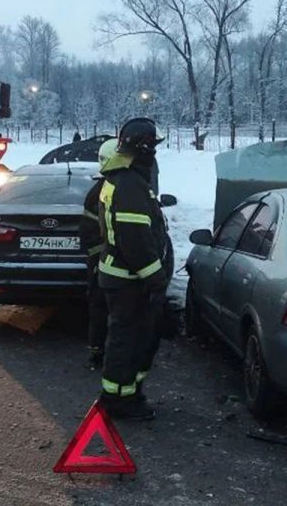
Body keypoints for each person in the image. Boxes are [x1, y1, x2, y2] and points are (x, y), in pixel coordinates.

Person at [96, 118, 169, 420]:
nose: (155, 154)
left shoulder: (125, 179)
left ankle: (128, 395)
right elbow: (135, 242)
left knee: (133, 340)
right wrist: (156, 279)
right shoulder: (130, 185)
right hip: (129, 280)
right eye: (152, 147)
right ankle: (118, 401)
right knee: (128, 342)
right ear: (144, 149)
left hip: (124, 278)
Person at [80, 137, 119, 370]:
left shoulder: (112, 188)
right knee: (100, 308)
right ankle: (98, 352)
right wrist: (99, 258)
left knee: (103, 309)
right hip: (104, 264)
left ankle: (102, 351)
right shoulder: (100, 193)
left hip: (107, 263)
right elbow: (88, 232)